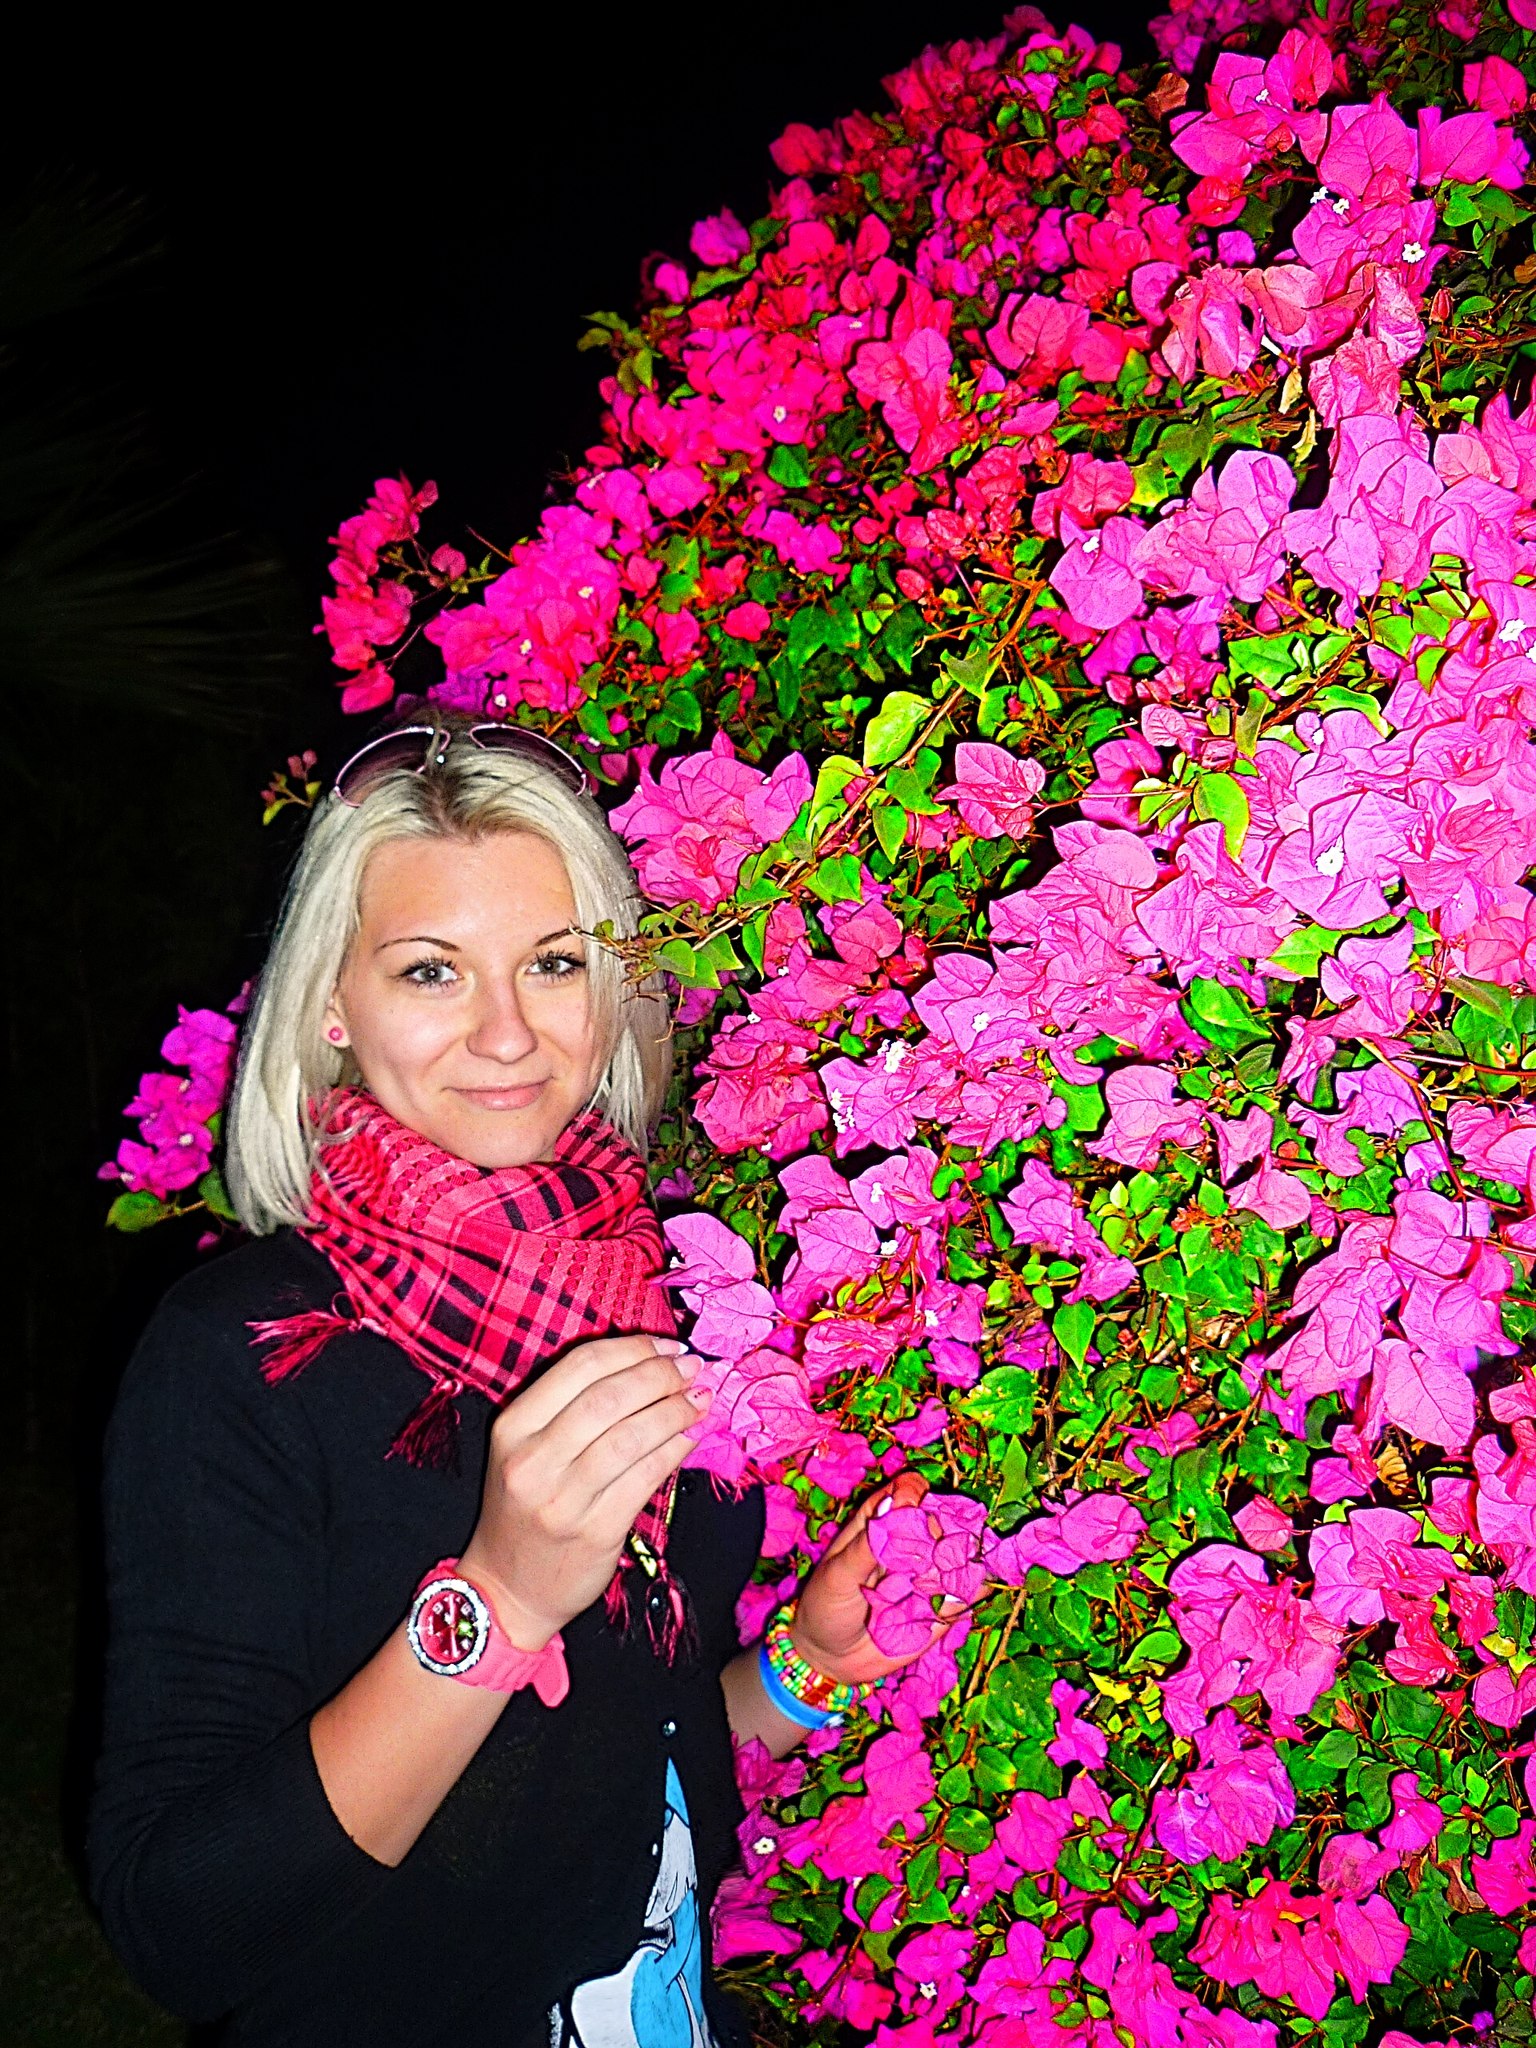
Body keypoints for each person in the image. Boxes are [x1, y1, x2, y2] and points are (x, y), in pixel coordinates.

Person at [88, 713, 941, 2048]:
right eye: (431, 971)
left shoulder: (658, 1292)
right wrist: (499, 1601)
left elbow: (608, 1767)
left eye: (552, 962)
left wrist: (800, 1673)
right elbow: (180, 1927)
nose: (505, 1034)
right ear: (332, 1003)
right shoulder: (241, 1354)